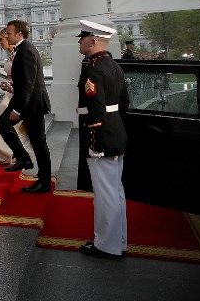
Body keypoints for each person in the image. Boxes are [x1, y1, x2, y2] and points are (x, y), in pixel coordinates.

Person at [76, 19, 130, 260]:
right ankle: (118, 241)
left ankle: (107, 246)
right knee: (116, 191)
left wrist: (94, 140)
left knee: (106, 193)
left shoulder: (94, 68)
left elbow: (95, 109)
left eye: (82, 38)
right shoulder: (114, 66)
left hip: (101, 137)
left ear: (93, 40)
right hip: (116, 131)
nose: (80, 41)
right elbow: (124, 103)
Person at [0, 19, 52, 193]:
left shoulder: (26, 50)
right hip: (26, 100)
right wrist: (12, 87)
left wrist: (17, 109)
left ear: (19, 34)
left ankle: (44, 182)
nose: (7, 35)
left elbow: (29, 83)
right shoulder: (22, 49)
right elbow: (25, 82)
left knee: (39, 143)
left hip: (32, 104)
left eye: (9, 33)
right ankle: (24, 159)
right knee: (2, 124)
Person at [0, 28, 22, 164]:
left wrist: (12, 85)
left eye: (1, 39)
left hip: (15, 93)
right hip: (9, 91)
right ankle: (7, 154)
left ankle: (8, 153)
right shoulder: (10, 53)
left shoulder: (18, 53)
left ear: (8, 39)